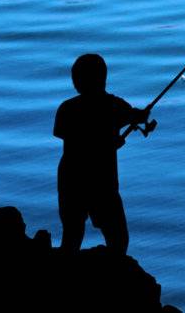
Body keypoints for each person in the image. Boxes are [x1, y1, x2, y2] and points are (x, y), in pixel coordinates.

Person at [54, 53, 150, 255]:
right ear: (103, 78)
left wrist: (110, 141)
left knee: (72, 235)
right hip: (102, 183)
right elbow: (136, 116)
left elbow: (75, 141)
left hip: (70, 179)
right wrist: (139, 117)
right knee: (118, 238)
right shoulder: (114, 105)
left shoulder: (67, 109)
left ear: (76, 81)